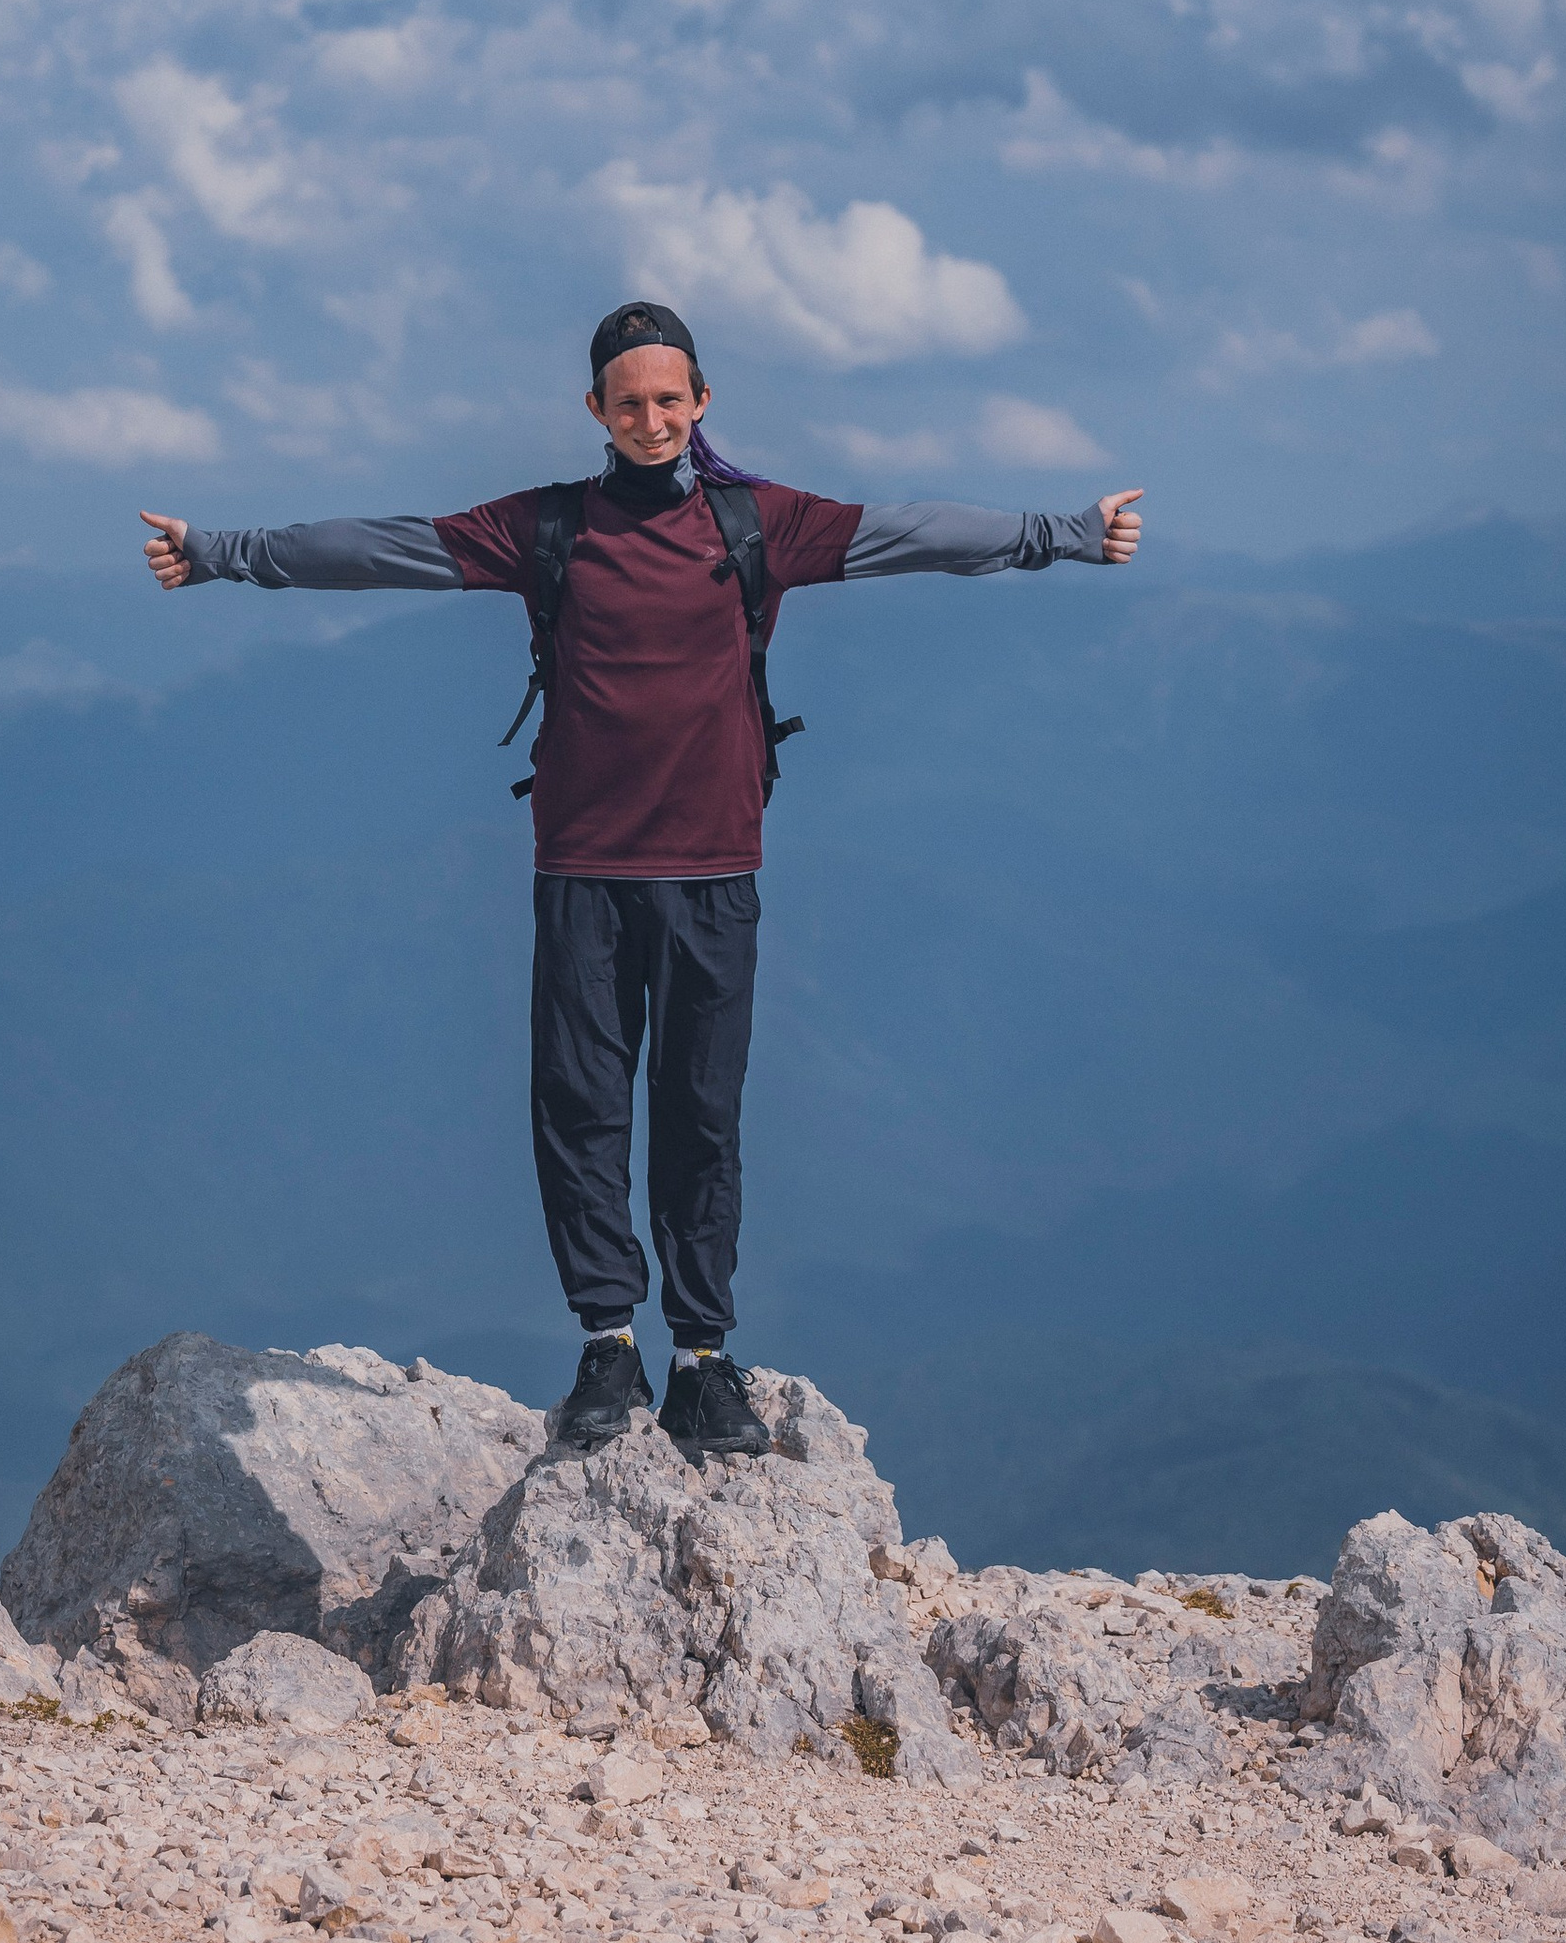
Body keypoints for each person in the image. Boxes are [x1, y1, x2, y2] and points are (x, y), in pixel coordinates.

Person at [142, 299, 1141, 1466]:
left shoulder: (759, 523)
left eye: (671, 399)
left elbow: (914, 534)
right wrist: (224, 556)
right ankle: (606, 1346)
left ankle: (702, 1362)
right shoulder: (548, 529)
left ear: (702, 401)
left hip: (714, 864)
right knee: (580, 1106)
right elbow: (381, 549)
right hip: (582, 863)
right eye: (631, 403)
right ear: (596, 412)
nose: (653, 418)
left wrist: (1060, 533)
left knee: (701, 1114)